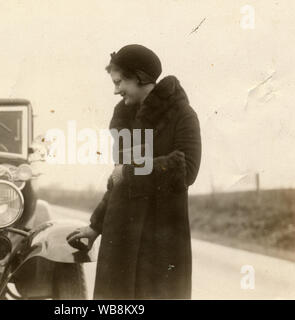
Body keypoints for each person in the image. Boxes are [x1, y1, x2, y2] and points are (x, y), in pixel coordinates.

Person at [67, 44, 202, 299]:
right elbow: (118, 180)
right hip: (120, 234)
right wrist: (95, 227)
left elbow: (187, 171)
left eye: (119, 82)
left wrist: (130, 172)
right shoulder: (125, 119)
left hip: (161, 237)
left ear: (140, 78)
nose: (116, 90)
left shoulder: (183, 115)